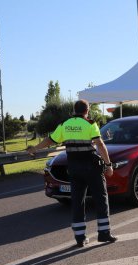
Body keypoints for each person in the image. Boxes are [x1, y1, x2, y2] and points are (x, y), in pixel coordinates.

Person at [27, 99, 117, 247]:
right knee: (101, 198)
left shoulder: (64, 125)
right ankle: (104, 233)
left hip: (74, 168)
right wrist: (108, 165)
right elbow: (100, 144)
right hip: (91, 167)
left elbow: (50, 140)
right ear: (87, 110)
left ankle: (80, 237)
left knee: (77, 201)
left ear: (74, 110)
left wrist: (35, 148)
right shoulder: (90, 124)